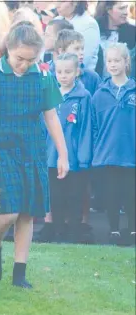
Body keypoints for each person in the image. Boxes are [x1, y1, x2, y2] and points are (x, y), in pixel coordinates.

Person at [0, 24, 69, 288]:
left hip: (32, 148)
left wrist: (63, 154)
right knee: (8, 212)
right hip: (0, 148)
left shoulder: (43, 75)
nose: (24, 64)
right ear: (8, 49)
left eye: (31, 59)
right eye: (20, 58)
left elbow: (52, 116)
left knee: (27, 213)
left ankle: (19, 273)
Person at [45, 53, 92, 243]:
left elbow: (86, 127)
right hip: (50, 155)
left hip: (74, 157)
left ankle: (74, 230)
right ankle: (57, 230)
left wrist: (83, 157)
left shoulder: (84, 97)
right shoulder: (49, 94)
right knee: (55, 194)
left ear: (77, 72)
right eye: (59, 71)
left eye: (68, 71)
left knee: (74, 195)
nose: (63, 75)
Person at [91, 43, 135, 246]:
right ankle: (114, 229)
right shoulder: (99, 94)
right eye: (109, 61)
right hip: (108, 153)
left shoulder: (134, 91)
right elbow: (94, 126)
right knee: (112, 194)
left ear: (126, 62)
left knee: (131, 193)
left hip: (131, 152)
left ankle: (133, 229)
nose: (113, 64)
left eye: (117, 60)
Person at [94, 1, 136, 78]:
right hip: (100, 85)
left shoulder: (133, 31)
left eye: (126, 8)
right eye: (121, 8)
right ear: (108, 10)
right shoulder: (94, 31)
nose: (126, 12)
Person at [53, 30, 101, 96]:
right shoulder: (51, 76)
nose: (81, 52)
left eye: (82, 49)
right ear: (61, 51)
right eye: (76, 49)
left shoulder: (92, 77)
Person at [55, 0, 100, 71]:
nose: (57, 5)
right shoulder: (57, 20)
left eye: (62, 1)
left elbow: (85, 58)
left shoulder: (88, 24)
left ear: (75, 2)